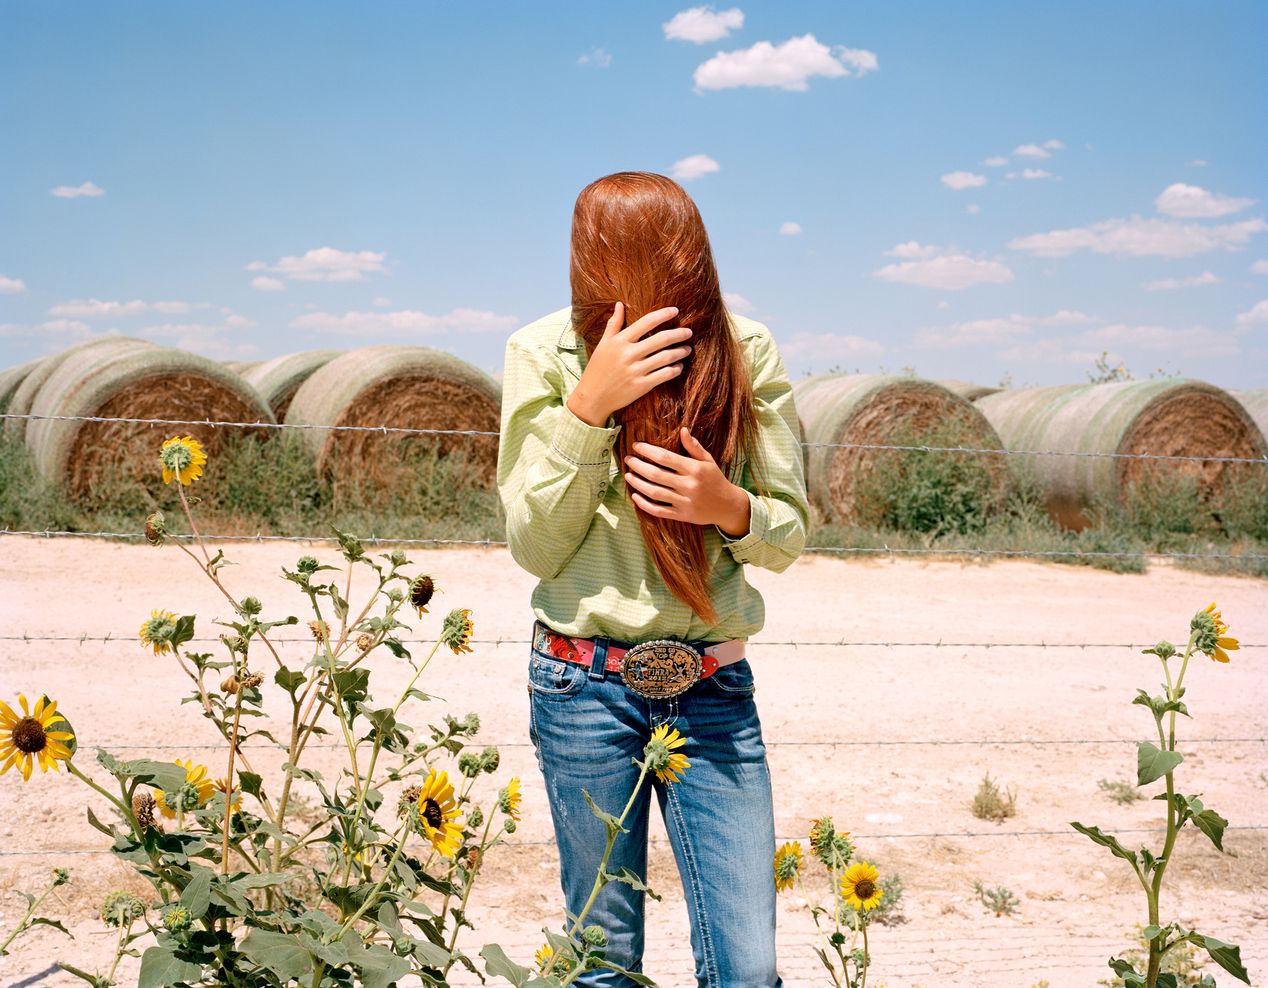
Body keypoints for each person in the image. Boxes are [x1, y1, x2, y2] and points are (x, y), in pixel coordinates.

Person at [495, 171, 809, 987]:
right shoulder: (541, 352)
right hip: (581, 686)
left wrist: (727, 505)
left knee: (747, 970)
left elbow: (789, 535)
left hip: (712, 690)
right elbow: (533, 544)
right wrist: (585, 412)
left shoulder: (747, 348)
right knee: (602, 963)